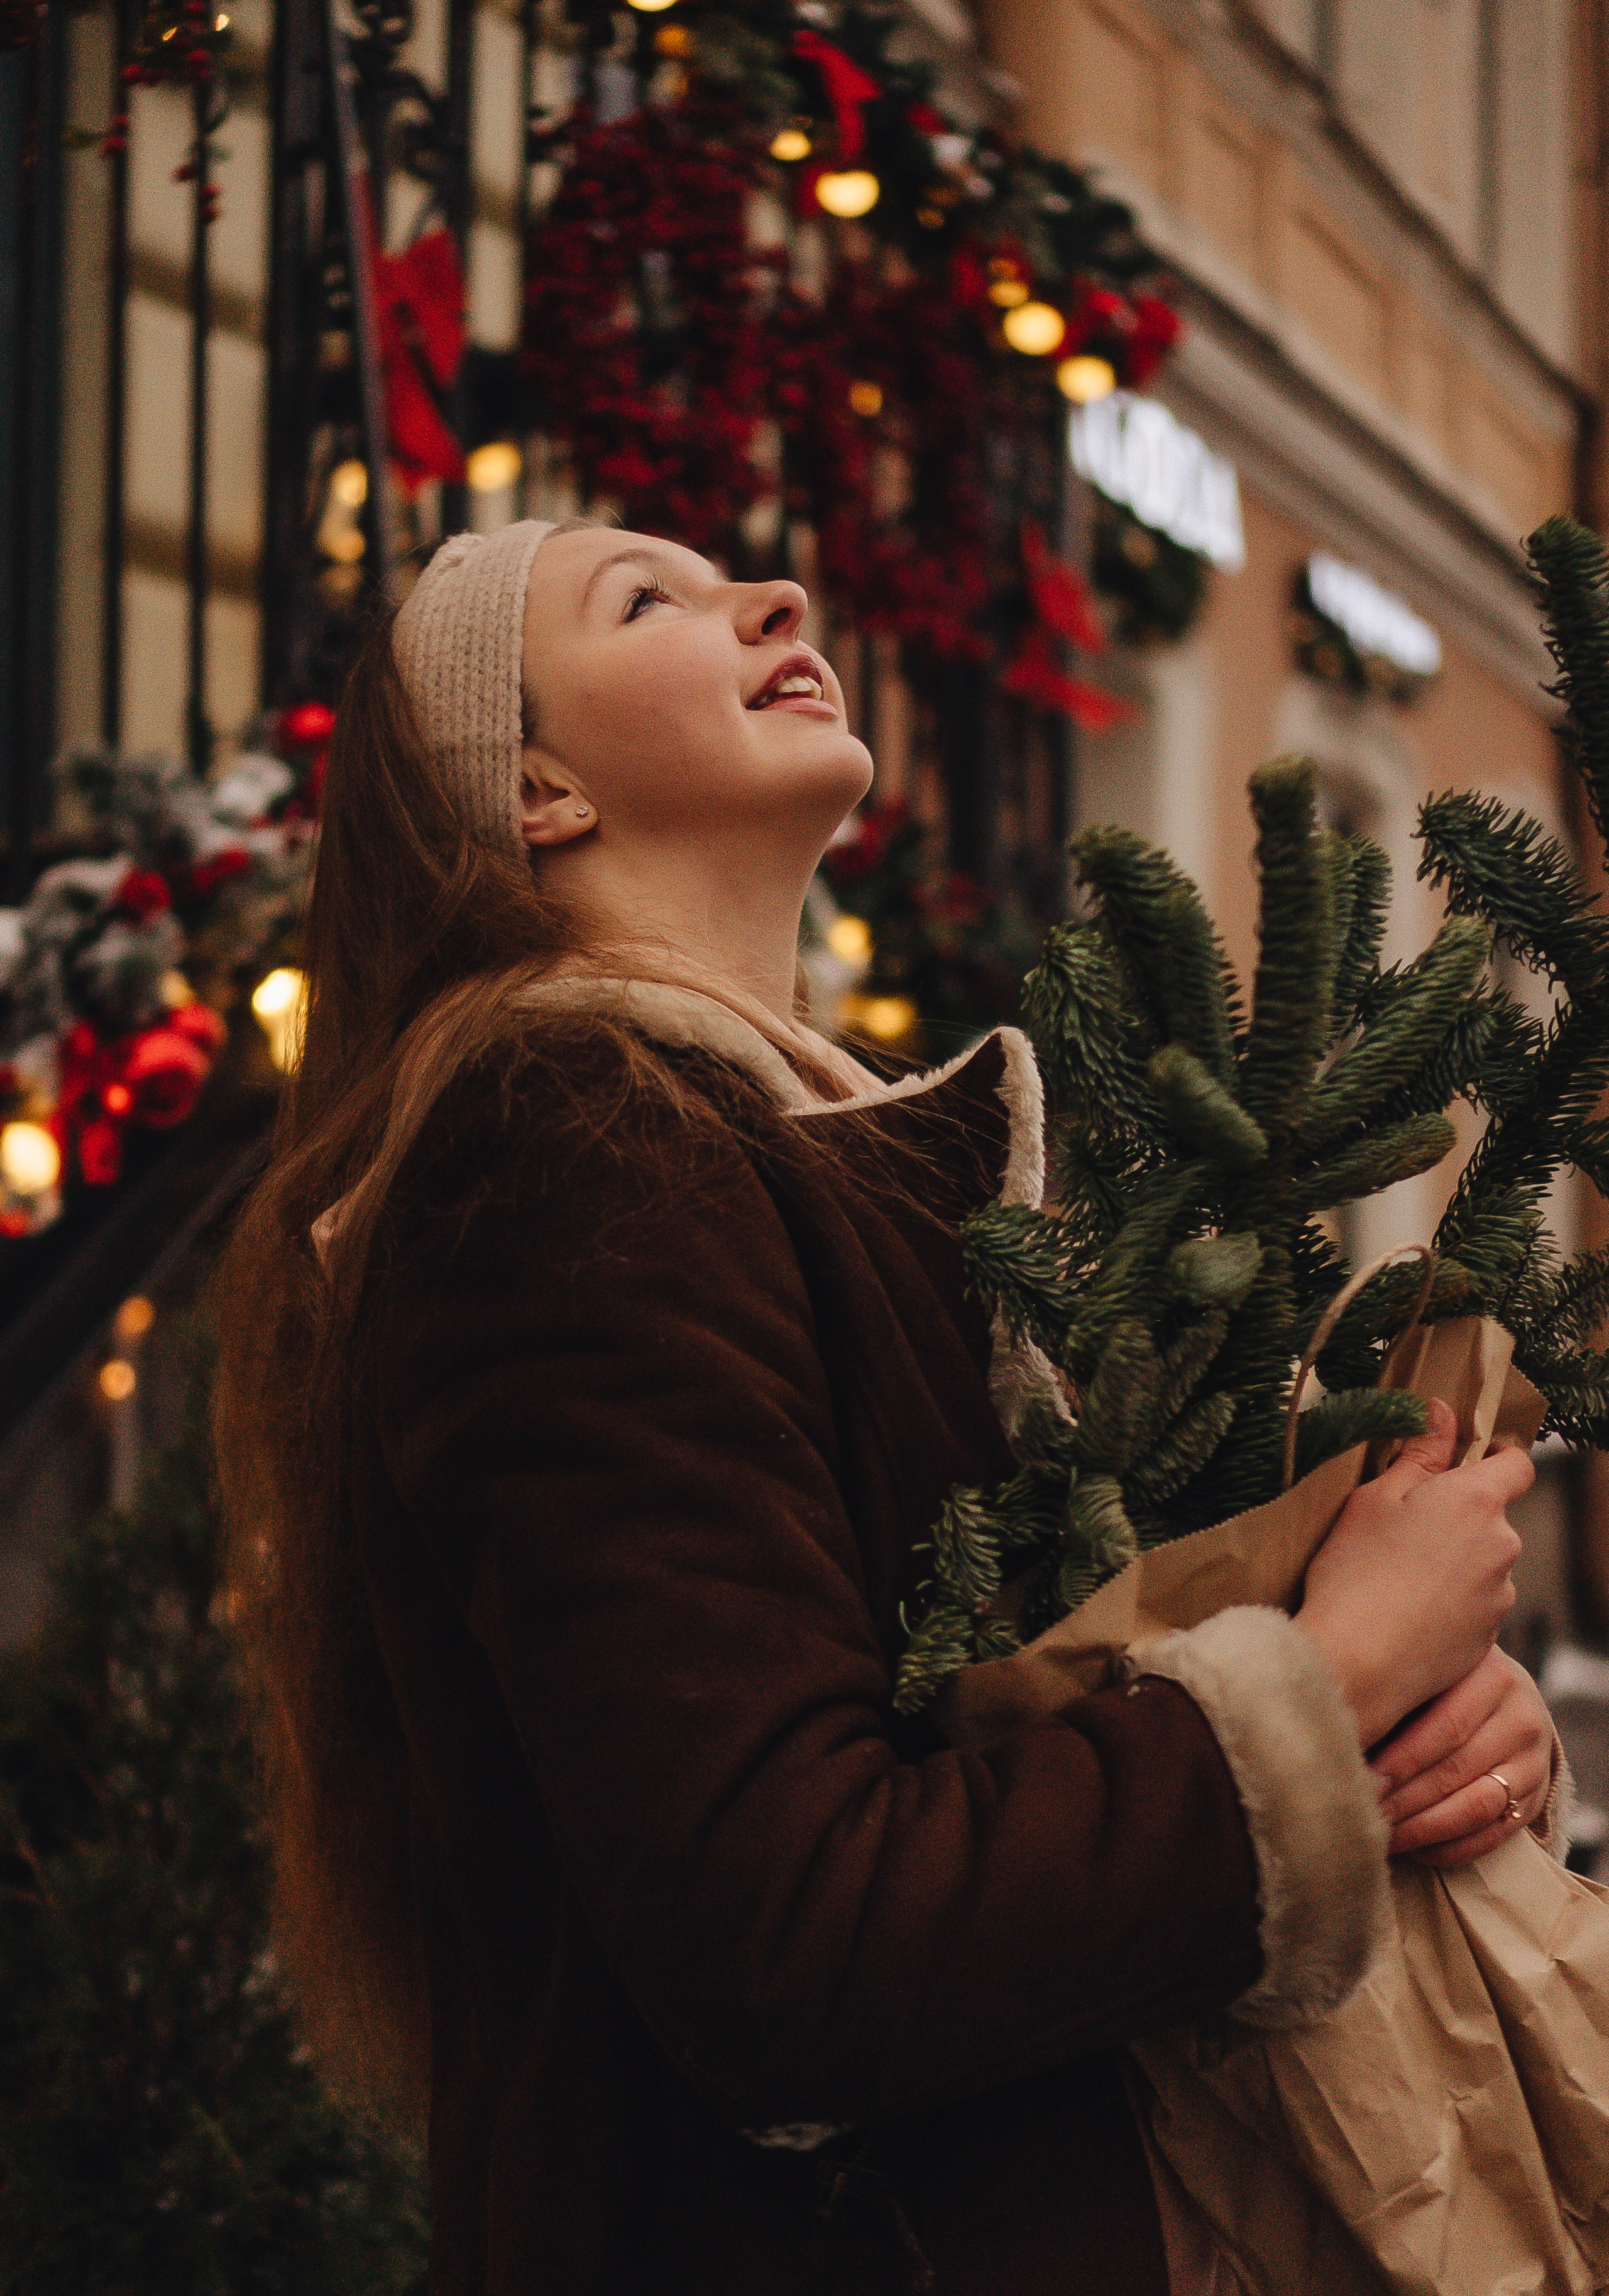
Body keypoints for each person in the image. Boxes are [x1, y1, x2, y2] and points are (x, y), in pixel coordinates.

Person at [214, 517, 1563, 2296]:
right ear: (533, 786)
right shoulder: (566, 1154)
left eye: (738, 577)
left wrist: (1426, 1743)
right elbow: (797, 1939)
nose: (778, 594)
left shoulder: (764, 1150)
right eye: (651, 600)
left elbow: (1023, 1706)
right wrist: (1332, 1686)